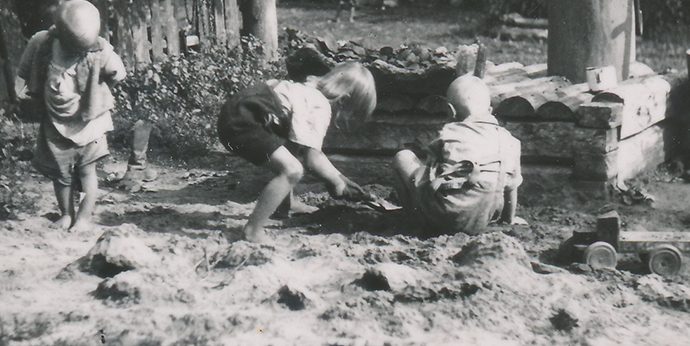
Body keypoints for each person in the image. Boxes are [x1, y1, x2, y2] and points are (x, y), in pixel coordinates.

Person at [217, 62, 377, 243]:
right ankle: (252, 230)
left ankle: (285, 206)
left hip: (234, 114)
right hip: (243, 122)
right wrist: (336, 183)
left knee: (288, 155)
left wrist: (339, 177)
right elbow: (312, 159)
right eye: (347, 113)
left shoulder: (304, 91)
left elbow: (300, 149)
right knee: (292, 170)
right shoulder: (319, 105)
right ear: (343, 99)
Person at [15, 0, 127, 231]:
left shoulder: (100, 50)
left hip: (90, 123)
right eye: (74, 48)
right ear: (59, 35)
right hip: (56, 122)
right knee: (61, 173)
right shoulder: (41, 43)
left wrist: (100, 93)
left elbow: (117, 72)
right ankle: (66, 214)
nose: (79, 52)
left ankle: (84, 217)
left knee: (87, 171)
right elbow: (25, 71)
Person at [392, 74, 523, 235]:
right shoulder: (511, 142)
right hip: (481, 220)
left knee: (403, 157)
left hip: (444, 216)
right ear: (489, 110)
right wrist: (508, 220)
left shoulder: (448, 132)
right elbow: (511, 188)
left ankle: (416, 219)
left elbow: (431, 174)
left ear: (450, 110)